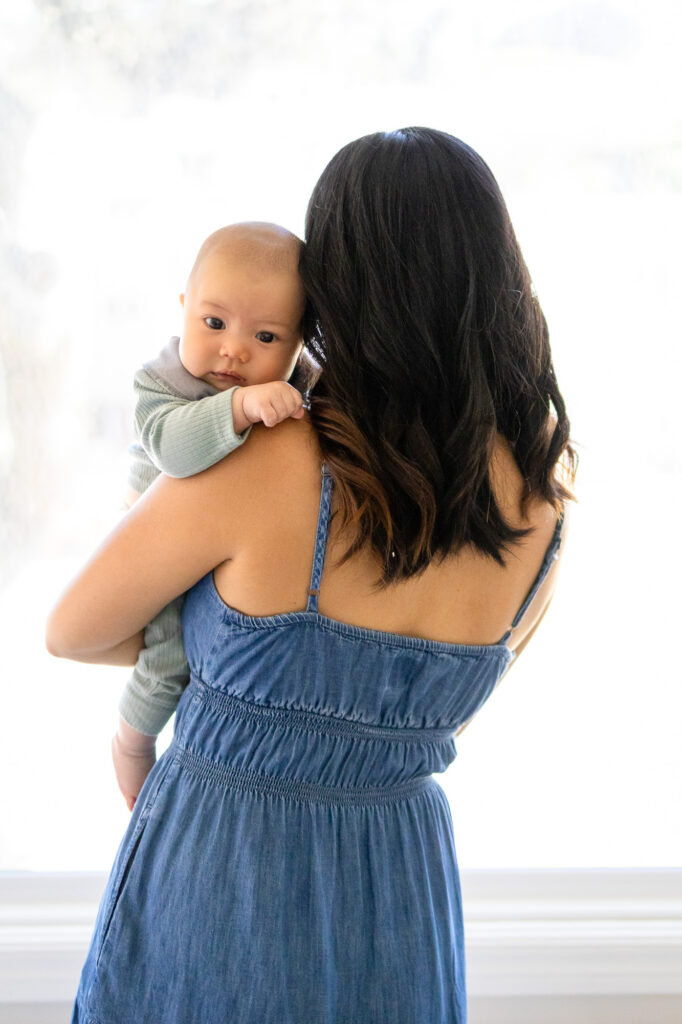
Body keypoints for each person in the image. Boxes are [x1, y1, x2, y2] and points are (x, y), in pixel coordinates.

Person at [46, 126, 576, 1024]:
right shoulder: (543, 504)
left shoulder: (268, 456)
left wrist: (200, 651)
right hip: (400, 896)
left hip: (223, 886)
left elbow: (74, 630)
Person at [115, 221, 316, 810]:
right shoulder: (161, 383)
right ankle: (130, 740)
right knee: (170, 652)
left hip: (223, 553)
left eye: (267, 335)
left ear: (299, 345)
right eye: (213, 323)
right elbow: (175, 453)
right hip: (153, 552)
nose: (234, 348)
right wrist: (241, 404)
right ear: (183, 310)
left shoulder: (294, 384)